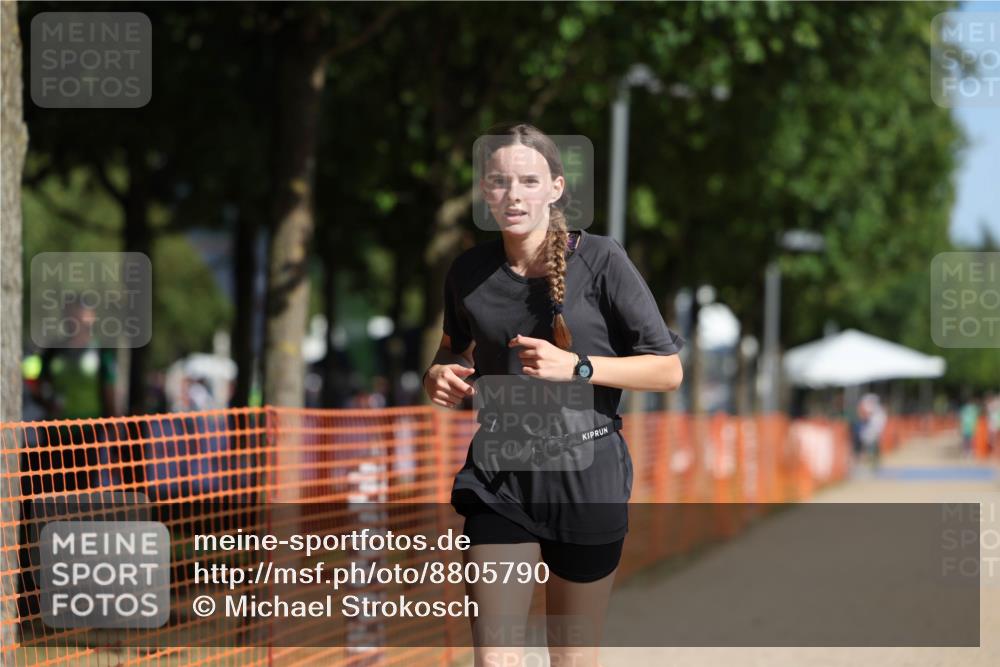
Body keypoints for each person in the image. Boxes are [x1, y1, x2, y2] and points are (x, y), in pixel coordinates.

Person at [422, 123, 684, 667]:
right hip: (501, 476)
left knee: (570, 657)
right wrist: (440, 373)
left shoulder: (603, 261)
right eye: (498, 181)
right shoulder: (468, 271)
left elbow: (667, 371)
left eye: (527, 180)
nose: (513, 194)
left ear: (555, 189)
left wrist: (579, 367)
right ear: (484, 191)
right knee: (496, 660)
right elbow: (454, 349)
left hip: (586, 475)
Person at [857, 393, 887, 470]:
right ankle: (871, 461)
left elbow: (864, 415)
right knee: (870, 445)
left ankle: (869, 460)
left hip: (872, 429)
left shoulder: (875, 410)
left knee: (868, 445)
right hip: (872, 429)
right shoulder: (877, 410)